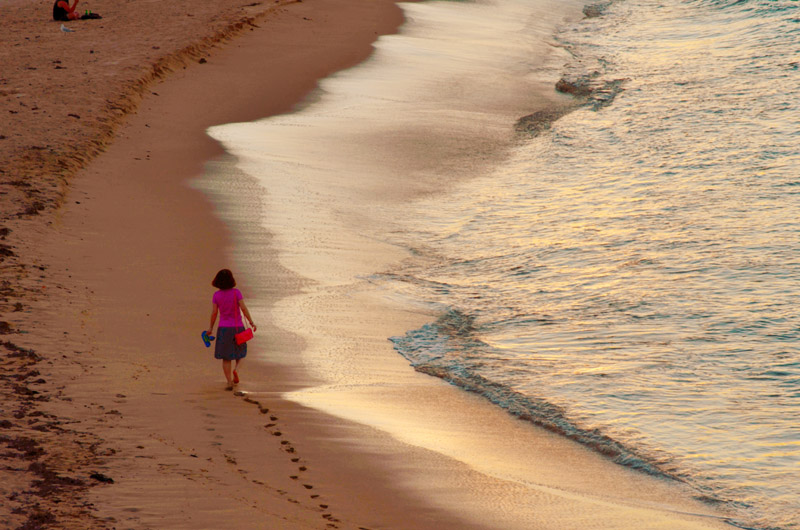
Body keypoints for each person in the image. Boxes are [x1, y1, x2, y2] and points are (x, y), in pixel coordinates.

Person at [206, 269, 257, 390]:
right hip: (237, 327)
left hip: (224, 329)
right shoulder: (236, 293)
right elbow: (243, 308)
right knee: (241, 353)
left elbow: (214, 313)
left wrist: (210, 328)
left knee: (226, 357)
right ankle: (236, 370)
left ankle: (229, 381)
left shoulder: (216, 295)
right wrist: (251, 322)